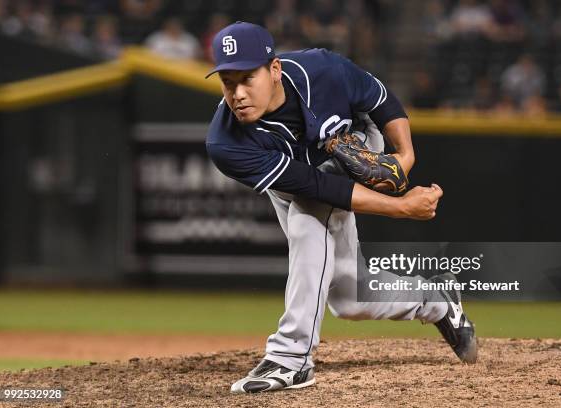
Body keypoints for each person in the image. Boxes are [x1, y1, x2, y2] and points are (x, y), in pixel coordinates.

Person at [205, 22, 478, 394]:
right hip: (302, 178)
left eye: (246, 78)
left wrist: (404, 158)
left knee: (307, 222)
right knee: (351, 297)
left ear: (274, 70)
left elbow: (381, 100)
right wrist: (401, 207)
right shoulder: (226, 143)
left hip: (356, 144)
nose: (237, 93)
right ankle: (437, 301)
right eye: (227, 82)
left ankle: (291, 357)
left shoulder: (322, 69)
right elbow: (318, 186)